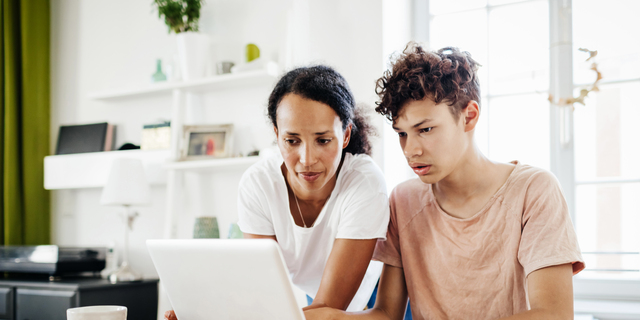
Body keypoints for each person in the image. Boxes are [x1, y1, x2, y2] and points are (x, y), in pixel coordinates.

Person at [305, 43, 585, 320]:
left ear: (469, 117)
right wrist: (333, 318)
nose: (410, 150)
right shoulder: (403, 200)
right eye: (402, 134)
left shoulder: (534, 190)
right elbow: (388, 314)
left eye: (425, 129)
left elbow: (554, 314)